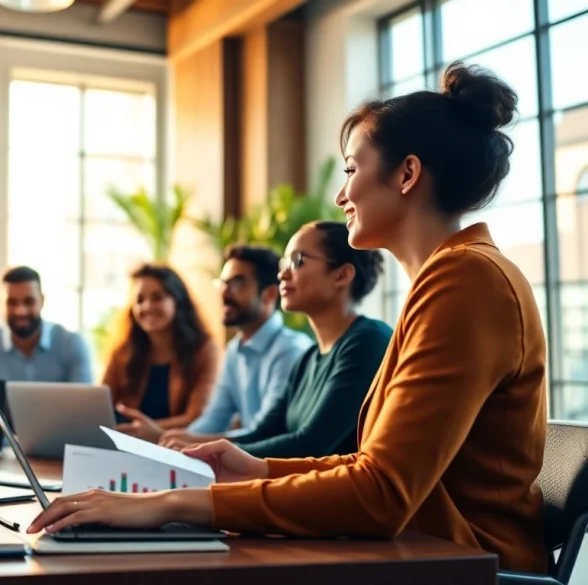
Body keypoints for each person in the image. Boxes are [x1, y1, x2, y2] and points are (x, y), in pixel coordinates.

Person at [27, 62, 548, 574]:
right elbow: (379, 469)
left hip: (471, 565)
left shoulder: (466, 283)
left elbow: (381, 494)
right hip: (423, 549)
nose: (341, 195)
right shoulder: (448, 280)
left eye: (351, 169)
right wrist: (258, 468)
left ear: (407, 174)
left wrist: (173, 503)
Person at [162, 222, 391, 457]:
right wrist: (192, 443)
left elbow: (310, 444)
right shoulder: (308, 359)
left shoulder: (367, 341)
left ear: (342, 275)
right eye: (284, 264)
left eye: (297, 261)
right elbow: (265, 433)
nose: (282, 274)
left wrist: (216, 454)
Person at [161, 245, 312, 441]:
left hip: (275, 466)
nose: (224, 293)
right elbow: (215, 418)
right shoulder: (234, 350)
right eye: (223, 284)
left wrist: (189, 441)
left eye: (237, 284)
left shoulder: (290, 350)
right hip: (246, 460)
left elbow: (267, 432)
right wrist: (175, 439)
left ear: (270, 294)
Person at [99, 264, 220, 443]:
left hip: (177, 450)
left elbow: (197, 417)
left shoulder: (205, 350)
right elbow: (101, 406)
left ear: (178, 301)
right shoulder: (123, 352)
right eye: (139, 300)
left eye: (157, 298)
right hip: (125, 447)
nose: (147, 307)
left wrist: (150, 431)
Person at [0, 266, 93, 383]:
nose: (21, 311)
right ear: (0, 304)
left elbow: (84, 403)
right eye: (11, 303)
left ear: (42, 301)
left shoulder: (72, 344)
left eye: (29, 302)